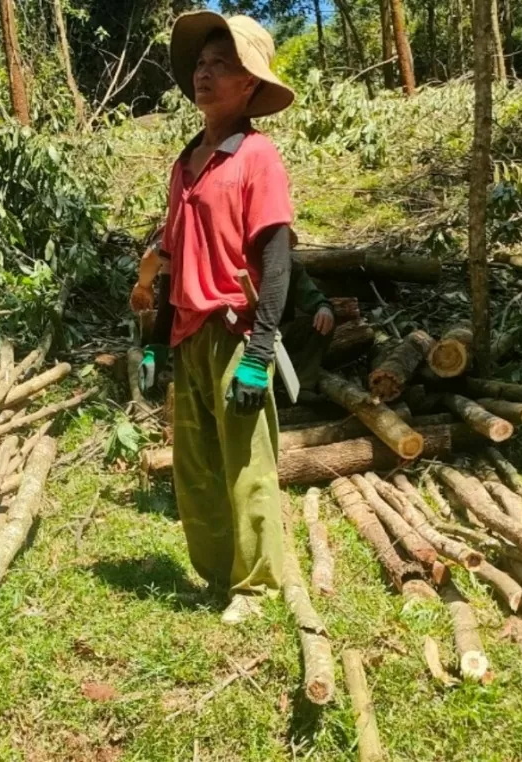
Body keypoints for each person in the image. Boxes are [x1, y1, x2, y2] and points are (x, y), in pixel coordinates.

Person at [137, 12, 297, 625]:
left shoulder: (257, 157)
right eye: (201, 64)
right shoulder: (186, 163)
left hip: (235, 332)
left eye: (220, 65)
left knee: (247, 463)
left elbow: (278, 262)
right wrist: (153, 342)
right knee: (197, 464)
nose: (204, 74)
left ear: (250, 85)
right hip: (187, 330)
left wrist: (260, 352)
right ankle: (216, 574)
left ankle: (255, 587)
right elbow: (172, 258)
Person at [279, 257, 335, 393]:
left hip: (280, 334)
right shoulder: (239, 263)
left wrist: (323, 307)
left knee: (322, 321)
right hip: (245, 333)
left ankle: (302, 387)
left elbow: (311, 296)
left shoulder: (291, 266)